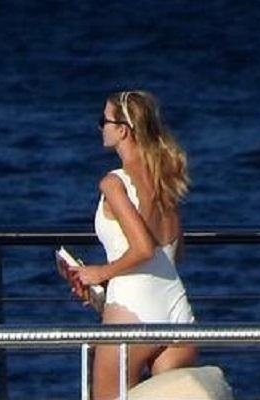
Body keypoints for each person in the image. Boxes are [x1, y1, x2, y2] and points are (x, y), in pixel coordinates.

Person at [69, 90, 197, 399]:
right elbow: (175, 252)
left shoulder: (114, 183)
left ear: (123, 130)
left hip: (133, 312)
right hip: (176, 312)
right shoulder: (164, 177)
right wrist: (105, 286)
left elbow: (143, 249)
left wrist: (98, 274)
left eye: (104, 120)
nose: (100, 127)